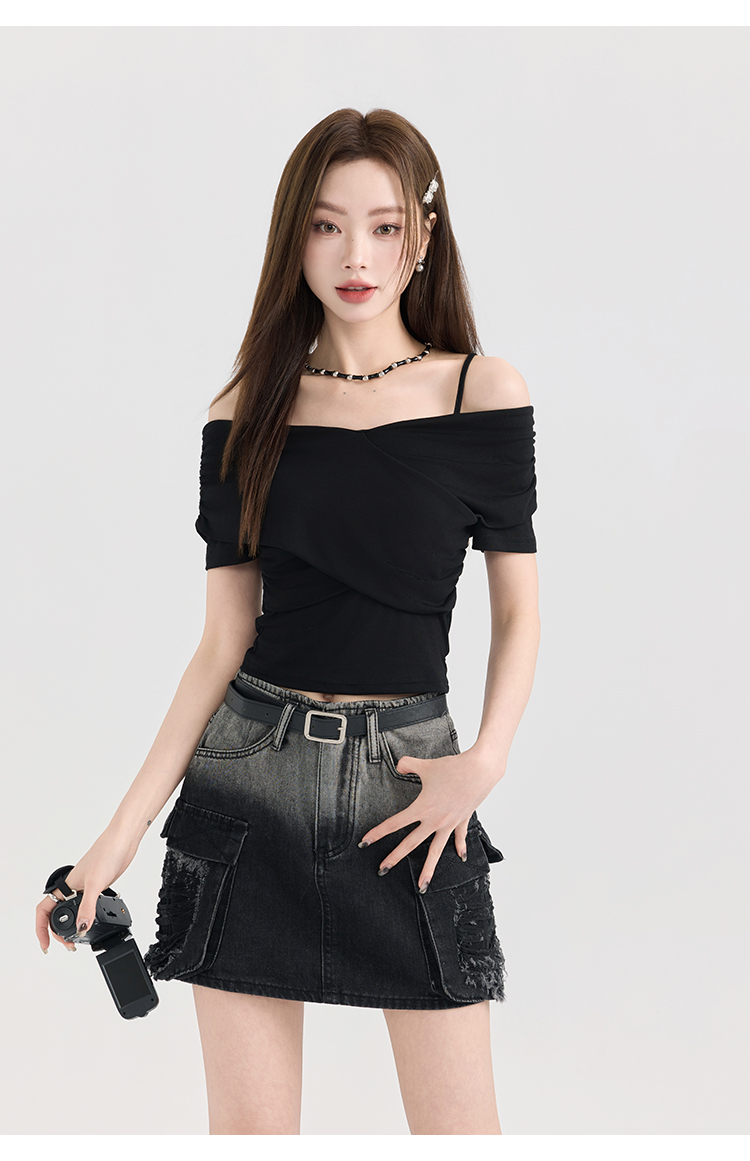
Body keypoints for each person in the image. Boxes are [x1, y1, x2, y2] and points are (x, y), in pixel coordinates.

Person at [36, 107, 540, 1135]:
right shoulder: (245, 409)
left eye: (385, 227)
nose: (356, 257)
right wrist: (113, 844)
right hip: (248, 784)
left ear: (423, 238)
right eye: (326, 225)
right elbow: (221, 644)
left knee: (462, 1135)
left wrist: (486, 760)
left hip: (410, 793)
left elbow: (519, 609)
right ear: (293, 237)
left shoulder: (479, 393)